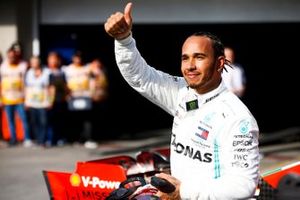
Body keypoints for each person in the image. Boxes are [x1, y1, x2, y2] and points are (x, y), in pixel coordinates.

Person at [104, 2, 260, 200]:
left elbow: (243, 185)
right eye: (185, 58)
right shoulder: (181, 93)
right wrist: (123, 40)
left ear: (219, 63)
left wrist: (183, 192)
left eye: (199, 57)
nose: (190, 66)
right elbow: (140, 77)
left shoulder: (238, 118)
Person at [63, 51, 96, 148]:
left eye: (80, 57)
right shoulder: (68, 69)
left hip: (85, 96)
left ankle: (88, 139)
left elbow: (93, 80)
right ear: (73, 58)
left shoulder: (88, 68)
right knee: (75, 119)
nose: (78, 59)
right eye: (76, 57)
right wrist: (66, 94)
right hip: (73, 97)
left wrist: (92, 93)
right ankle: (77, 139)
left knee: (87, 119)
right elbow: (64, 82)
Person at [0, 48, 31, 146]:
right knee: (10, 121)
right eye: (10, 55)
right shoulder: (2, 67)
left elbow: (27, 82)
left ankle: (27, 139)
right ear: (7, 56)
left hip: (20, 98)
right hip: (7, 98)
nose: (12, 57)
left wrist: (27, 98)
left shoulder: (22, 66)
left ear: (16, 55)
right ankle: (13, 139)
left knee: (24, 119)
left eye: (13, 55)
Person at [25, 56, 52, 147]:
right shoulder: (29, 73)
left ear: (39, 62)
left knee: (43, 122)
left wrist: (49, 101)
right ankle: (38, 140)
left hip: (43, 102)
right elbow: (27, 88)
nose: (33, 64)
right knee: (34, 122)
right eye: (32, 62)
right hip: (32, 102)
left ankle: (43, 141)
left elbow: (50, 88)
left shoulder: (46, 72)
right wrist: (27, 101)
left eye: (35, 62)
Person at [47, 51, 69, 146]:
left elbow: (65, 86)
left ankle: (60, 138)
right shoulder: (46, 72)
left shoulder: (62, 72)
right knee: (50, 121)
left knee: (60, 121)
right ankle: (51, 139)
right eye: (51, 59)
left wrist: (66, 95)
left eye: (55, 59)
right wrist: (48, 101)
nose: (53, 61)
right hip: (49, 101)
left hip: (60, 100)